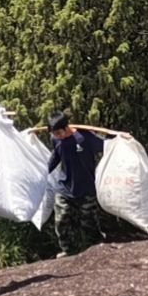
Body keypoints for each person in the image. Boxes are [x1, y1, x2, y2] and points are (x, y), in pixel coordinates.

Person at [44, 110, 105, 257]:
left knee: (89, 222)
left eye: (59, 133)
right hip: (64, 188)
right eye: (54, 134)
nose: (57, 136)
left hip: (86, 188)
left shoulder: (85, 137)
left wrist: (120, 139)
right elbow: (56, 156)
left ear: (66, 127)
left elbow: (106, 147)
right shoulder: (56, 140)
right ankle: (68, 250)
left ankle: (98, 248)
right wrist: (43, 172)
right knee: (61, 220)